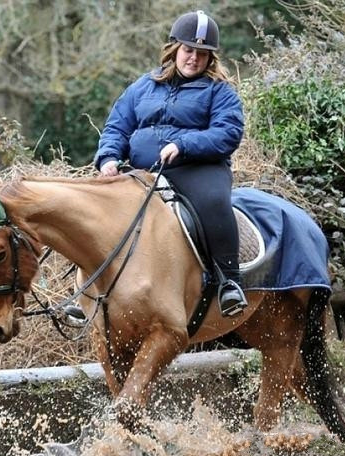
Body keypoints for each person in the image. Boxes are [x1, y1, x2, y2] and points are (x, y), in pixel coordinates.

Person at [94, 10, 247, 317]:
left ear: (210, 58)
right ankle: (89, 290)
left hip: (198, 169)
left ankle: (229, 282)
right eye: (189, 50)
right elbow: (117, 127)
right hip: (142, 170)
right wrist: (109, 158)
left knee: (215, 202)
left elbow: (227, 133)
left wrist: (184, 144)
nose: (194, 59)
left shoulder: (220, 91)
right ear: (175, 49)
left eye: (202, 54)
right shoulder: (143, 86)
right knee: (97, 211)